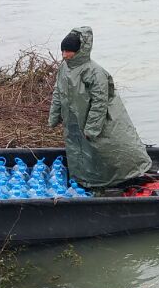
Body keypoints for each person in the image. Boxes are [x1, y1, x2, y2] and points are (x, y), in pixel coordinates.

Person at [48, 26, 152, 189]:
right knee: (79, 151)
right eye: (63, 51)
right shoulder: (64, 68)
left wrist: (91, 129)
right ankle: (85, 180)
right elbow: (58, 91)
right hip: (74, 120)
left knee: (106, 149)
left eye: (68, 51)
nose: (64, 55)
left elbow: (100, 102)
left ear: (78, 51)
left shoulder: (94, 72)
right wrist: (54, 116)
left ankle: (118, 178)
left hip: (98, 121)